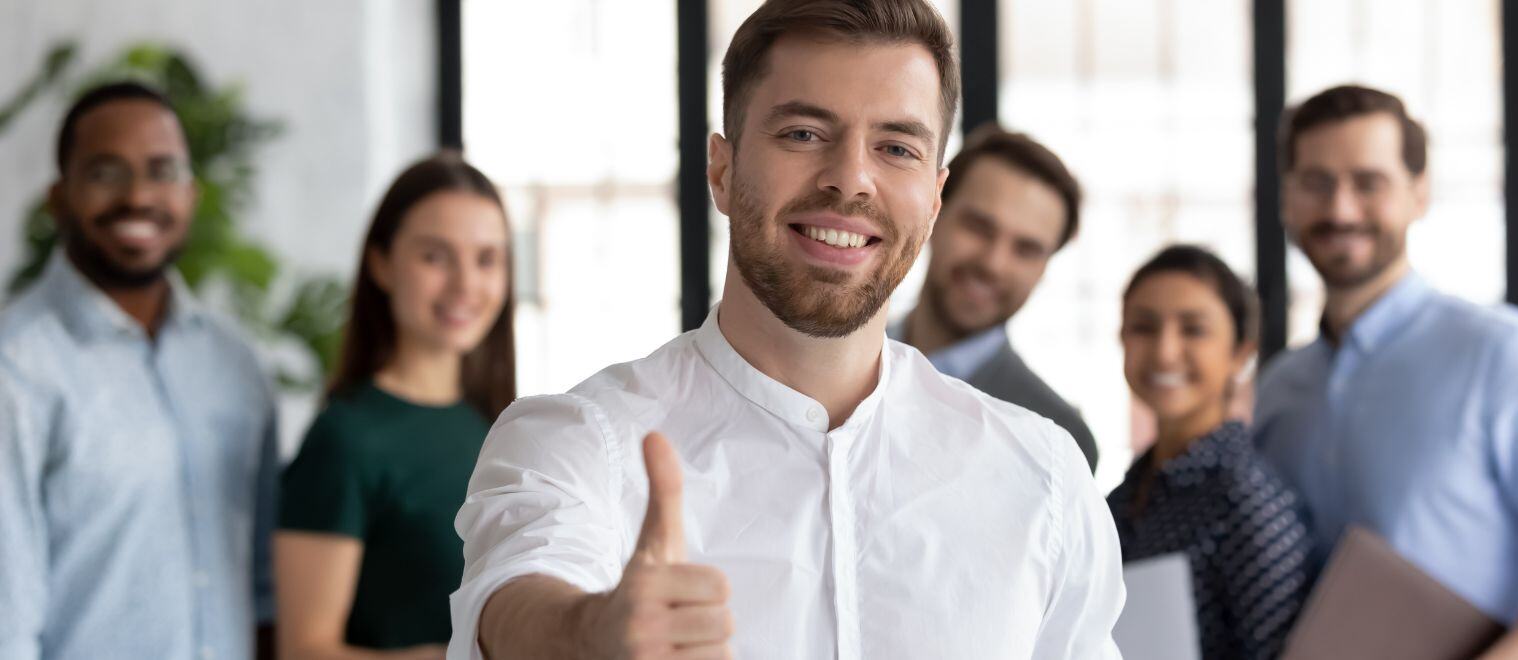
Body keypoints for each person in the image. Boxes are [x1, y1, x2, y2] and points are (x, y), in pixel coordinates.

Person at [449, 1, 1125, 658]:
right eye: (804, 133)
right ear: (721, 168)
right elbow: (514, 595)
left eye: (895, 147)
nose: (851, 181)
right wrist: (586, 635)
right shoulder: (580, 441)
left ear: (935, 196)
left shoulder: (1045, 479)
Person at [1253, 84, 1518, 658]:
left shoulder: (1502, 356)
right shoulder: (1281, 388)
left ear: (1419, 194)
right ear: (1287, 199)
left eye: (1369, 183)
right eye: (1317, 184)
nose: (1340, 210)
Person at [0, 81, 277, 659]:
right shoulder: (16, 365)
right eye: (105, 172)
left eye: (162, 170)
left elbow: (265, 590)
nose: (138, 196)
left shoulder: (237, 365)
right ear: (58, 197)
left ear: (191, 195)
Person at [273, 154, 515, 659]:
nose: (465, 284)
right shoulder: (344, 441)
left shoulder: (501, 427)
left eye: (487, 259)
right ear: (381, 263)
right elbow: (303, 649)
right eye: (435, 256)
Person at [1108, 245, 1312, 659]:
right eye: (1144, 327)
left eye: (1194, 329)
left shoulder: (1249, 502)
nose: (1165, 351)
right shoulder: (1125, 494)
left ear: (1240, 353)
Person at [897, 124, 1099, 472]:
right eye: (978, 228)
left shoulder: (1058, 441)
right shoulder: (835, 364)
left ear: (1044, 269)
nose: (993, 263)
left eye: (1026, 249)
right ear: (934, 213)